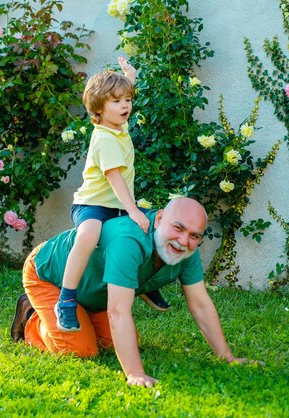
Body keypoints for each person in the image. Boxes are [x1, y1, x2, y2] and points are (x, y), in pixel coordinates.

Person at [11, 197, 263, 387]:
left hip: (96, 292)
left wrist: (227, 357)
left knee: (113, 342)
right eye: (178, 228)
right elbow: (118, 311)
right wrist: (134, 374)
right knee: (81, 350)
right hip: (51, 276)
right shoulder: (128, 240)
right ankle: (33, 318)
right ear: (160, 218)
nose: (184, 241)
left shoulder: (186, 251)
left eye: (194, 235)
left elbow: (199, 303)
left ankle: (82, 313)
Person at [56, 57, 166, 333]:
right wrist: (133, 210)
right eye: (117, 102)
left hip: (117, 206)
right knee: (89, 235)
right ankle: (66, 299)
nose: (125, 105)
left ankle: (142, 284)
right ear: (99, 109)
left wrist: (130, 77)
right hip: (92, 205)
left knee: (145, 233)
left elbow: (121, 95)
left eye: (127, 99)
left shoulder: (117, 126)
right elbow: (115, 179)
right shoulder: (104, 138)